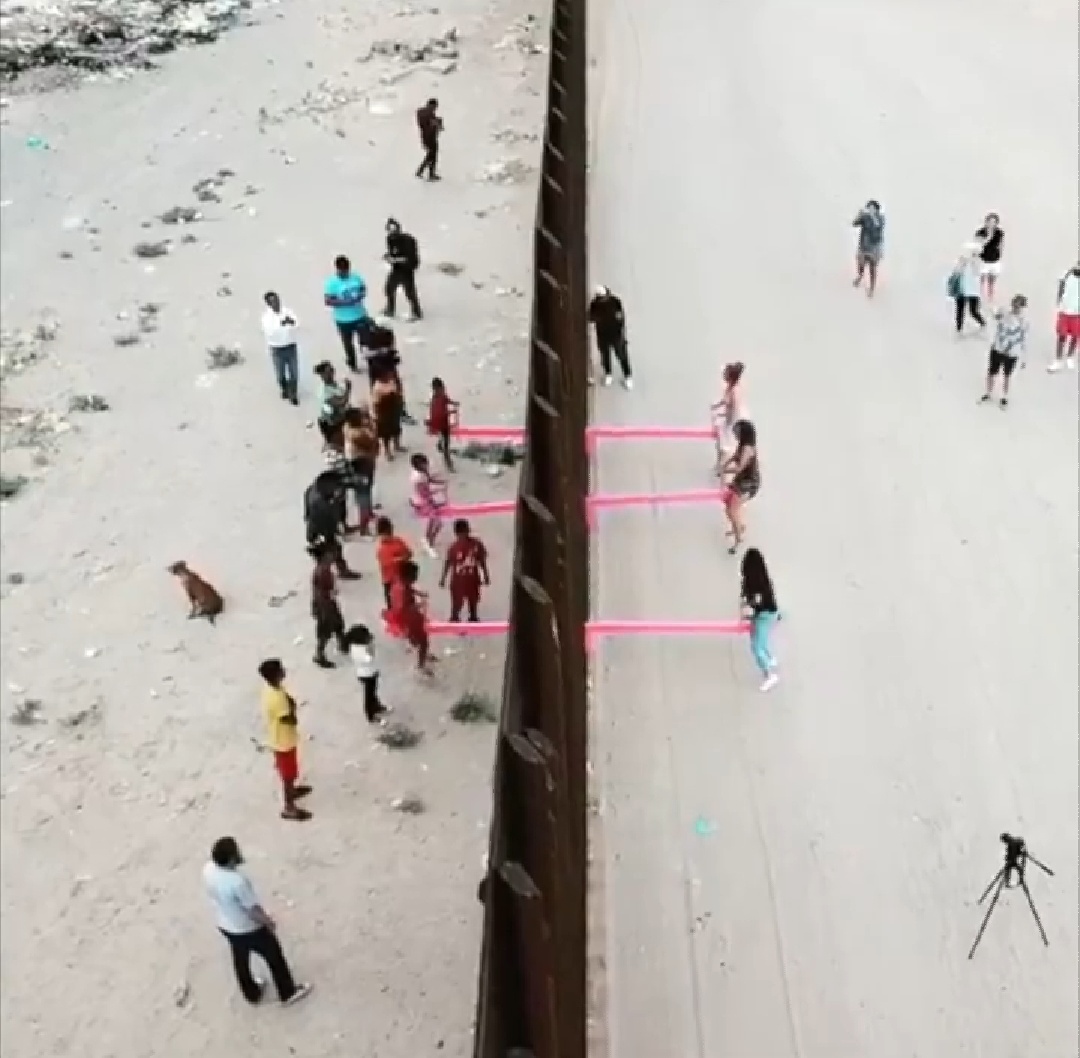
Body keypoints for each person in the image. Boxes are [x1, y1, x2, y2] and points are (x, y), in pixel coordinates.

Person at [203, 836, 312, 1005]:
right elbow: (252, 909)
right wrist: (268, 922)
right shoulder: (237, 882)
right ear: (232, 858)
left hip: (225, 924)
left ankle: (252, 993)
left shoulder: (208, 869)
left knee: (240, 958)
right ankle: (287, 992)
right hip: (247, 927)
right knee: (274, 955)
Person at [257, 659, 312, 821]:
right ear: (275, 675)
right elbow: (287, 718)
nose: (284, 671)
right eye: (281, 670)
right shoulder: (277, 698)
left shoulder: (271, 689)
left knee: (289, 772)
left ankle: (292, 792)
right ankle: (289, 807)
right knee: (288, 775)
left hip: (280, 739)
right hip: (284, 741)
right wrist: (293, 713)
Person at [303, 471, 360, 579]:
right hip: (320, 529)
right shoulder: (322, 504)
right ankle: (328, 577)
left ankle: (336, 571)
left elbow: (307, 513)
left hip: (316, 527)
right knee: (330, 551)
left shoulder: (313, 490)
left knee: (331, 550)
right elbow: (329, 519)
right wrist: (335, 530)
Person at [740, 548, 780, 692]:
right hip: (767, 614)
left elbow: (758, 604)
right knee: (759, 641)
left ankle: (769, 674)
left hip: (763, 616)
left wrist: (748, 612)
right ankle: (770, 659)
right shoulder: (764, 581)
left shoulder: (755, 586)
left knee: (756, 646)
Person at [979, 295, 1029, 409]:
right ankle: (988, 393)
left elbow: (1024, 339)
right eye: (1015, 305)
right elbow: (994, 315)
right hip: (997, 348)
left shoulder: (1024, 322)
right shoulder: (1004, 312)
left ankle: (1004, 397)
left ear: (1022, 307)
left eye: (1019, 306)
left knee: (1007, 375)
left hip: (1012, 353)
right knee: (992, 372)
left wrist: (1024, 357)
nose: (1016, 308)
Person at [720, 420, 761, 555]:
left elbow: (739, 468)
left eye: (737, 432)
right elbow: (734, 458)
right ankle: (738, 526)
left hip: (748, 483)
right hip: (741, 480)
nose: (735, 435)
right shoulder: (742, 445)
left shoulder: (748, 449)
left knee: (732, 510)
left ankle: (738, 540)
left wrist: (724, 471)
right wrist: (725, 465)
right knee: (728, 508)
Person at [323, 255, 371, 372]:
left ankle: (369, 361)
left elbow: (363, 288)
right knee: (348, 344)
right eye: (343, 271)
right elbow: (328, 301)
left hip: (360, 315)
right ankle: (352, 364)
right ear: (337, 269)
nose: (345, 273)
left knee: (365, 340)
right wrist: (345, 302)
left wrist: (360, 295)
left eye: (347, 270)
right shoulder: (331, 283)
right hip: (343, 320)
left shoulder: (355, 277)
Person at [440, 519, 490, 622]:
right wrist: (443, 578)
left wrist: (486, 575)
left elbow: (482, 561)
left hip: (473, 580)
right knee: (456, 603)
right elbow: (448, 563)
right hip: (458, 581)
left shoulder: (476, 544)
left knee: (473, 601)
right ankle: (454, 619)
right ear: (457, 533)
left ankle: (473, 618)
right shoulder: (453, 547)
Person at [309, 542, 350, 668]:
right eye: (330, 553)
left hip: (326, 603)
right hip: (325, 605)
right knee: (325, 631)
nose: (333, 555)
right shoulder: (323, 572)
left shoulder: (323, 569)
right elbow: (322, 592)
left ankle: (342, 643)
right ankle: (319, 655)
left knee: (338, 624)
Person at [391, 560, 433, 674]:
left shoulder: (400, 584)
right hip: (410, 619)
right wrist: (419, 605)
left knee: (417, 639)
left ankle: (420, 652)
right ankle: (420, 665)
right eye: (415, 576)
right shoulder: (402, 589)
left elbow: (410, 590)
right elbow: (402, 607)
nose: (416, 578)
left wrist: (420, 594)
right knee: (423, 641)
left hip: (410, 618)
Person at [587, 285, 633, 388]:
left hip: (615, 334)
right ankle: (608, 374)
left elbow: (620, 317)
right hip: (602, 334)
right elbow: (591, 317)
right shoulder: (595, 304)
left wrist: (621, 330)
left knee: (621, 355)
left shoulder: (615, 302)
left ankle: (627, 375)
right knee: (605, 356)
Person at [342, 407, 378, 535]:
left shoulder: (348, 427)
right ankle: (364, 527)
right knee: (364, 494)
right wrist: (371, 426)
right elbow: (372, 441)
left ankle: (368, 512)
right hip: (361, 465)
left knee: (366, 490)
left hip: (362, 462)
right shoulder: (357, 434)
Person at [344, 624, 389, 724]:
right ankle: (371, 715)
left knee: (373, 692)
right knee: (369, 695)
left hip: (371, 672)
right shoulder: (356, 649)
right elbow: (369, 659)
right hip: (366, 675)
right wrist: (371, 647)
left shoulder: (360, 645)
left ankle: (377, 706)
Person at [261, 292, 299, 404]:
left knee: (294, 373)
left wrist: (291, 322)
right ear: (268, 303)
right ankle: (284, 389)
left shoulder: (288, 311)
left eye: (277, 300)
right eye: (272, 301)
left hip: (290, 346)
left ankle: (293, 395)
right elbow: (269, 332)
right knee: (280, 375)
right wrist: (283, 324)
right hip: (277, 348)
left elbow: (297, 324)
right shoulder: (266, 317)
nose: (276, 303)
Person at [710, 361, 749, 472]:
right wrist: (716, 406)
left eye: (725, 374)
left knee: (726, 446)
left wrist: (725, 417)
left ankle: (724, 466)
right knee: (720, 437)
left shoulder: (734, 391)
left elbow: (734, 409)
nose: (723, 375)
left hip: (732, 420)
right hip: (729, 417)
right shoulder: (729, 387)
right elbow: (725, 401)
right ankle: (720, 462)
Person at [383, 219, 423, 320]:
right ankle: (390, 309)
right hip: (396, 268)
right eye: (389, 231)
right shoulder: (390, 239)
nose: (391, 234)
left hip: (407, 269)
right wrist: (389, 256)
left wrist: (394, 260)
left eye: (393, 231)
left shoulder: (408, 241)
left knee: (409, 292)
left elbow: (411, 258)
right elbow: (392, 252)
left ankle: (417, 313)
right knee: (389, 289)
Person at [409, 452, 447, 558]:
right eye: (424, 464)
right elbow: (424, 493)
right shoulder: (418, 478)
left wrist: (439, 481)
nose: (426, 466)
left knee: (433, 522)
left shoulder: (422, 472)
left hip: (424, 500)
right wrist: (439, 489)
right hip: (422, 502)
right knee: (437, 523)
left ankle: (429, 540)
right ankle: (428, 542)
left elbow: (429, 479)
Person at [375, 516, 413, 611]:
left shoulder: (398, 541)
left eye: (389, 532)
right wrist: (400, 558)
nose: (388, 535)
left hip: (403, 578)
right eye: (385, 533)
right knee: (393, 608)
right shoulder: (381, 550)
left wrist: (401, 558)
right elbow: (386, 563)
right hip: (390, 582)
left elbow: (409, 553)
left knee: (407, 604)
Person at [1049, 262, 1080, 372]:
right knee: (1062, 336)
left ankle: (1070, 356)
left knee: (1075, 337)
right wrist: (1059, 302)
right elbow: (1061, 286)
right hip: (1065, 311)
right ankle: (1058, 360)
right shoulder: (1066, 274)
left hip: (1077, 313)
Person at [949, 243, 986, 334]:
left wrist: (972, 262)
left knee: (973, 311)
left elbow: (978, 273)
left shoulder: (978, 263)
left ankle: (982, 323)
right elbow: (955, 273)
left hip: (973, 290)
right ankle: (959, 328)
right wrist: (961, 264)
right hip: (962, 290)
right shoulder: (961, 262)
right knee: (960, 310)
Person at [851, 200, 885, 297]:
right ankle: (860, 276)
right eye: (869, 207)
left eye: (872, 207)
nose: (870, 209)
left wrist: (873, 216)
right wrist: (859, 215)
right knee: (860, 264)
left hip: (875, 247)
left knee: (872, 268)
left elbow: (878, 226)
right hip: (864, 246)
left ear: (876, 209)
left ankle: (872, 288)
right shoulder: (864, 217)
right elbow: (854, 223)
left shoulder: (881, 218)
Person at [371, 364, 405, 460]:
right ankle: (387, 451)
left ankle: (397, 445)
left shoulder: (391, 381)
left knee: (396, 428)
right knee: (386, 433)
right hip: (384, 412)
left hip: (394, 409)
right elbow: (376, 402)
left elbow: (398, 393)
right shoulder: (377, 387)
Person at [314, 361, 351, 443]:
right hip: (332, 424)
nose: (331, 373)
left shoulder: (334, 384)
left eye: (332, 370)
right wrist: (348, 389)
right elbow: (341, 402)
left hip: (340, 418)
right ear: (322, 375)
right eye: (328, 372)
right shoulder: (324, 392)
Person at [426, 377, 459, 471]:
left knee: (444, 440)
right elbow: (439, 414)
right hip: (441, 424)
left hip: (443, 424)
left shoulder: (439, 397)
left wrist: (453, 402)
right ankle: (448, 462)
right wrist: (451, 412)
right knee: (446, 444)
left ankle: (441, 445)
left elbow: (447, 400)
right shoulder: (436, 400)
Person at [974, 213, 1005, 303]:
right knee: (983, 279)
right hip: (984, 259)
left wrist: (1000, 254)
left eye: (994, 222)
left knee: (992, 280)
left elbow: (1001, 244)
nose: (991, 224)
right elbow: (979, 244)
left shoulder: (999, 232)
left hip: (994, 260)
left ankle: (991, 298)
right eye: (990, 222)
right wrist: (988, 237)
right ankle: (982, 297)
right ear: (986, 222)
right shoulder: (980, 232)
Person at [415, 98, 443, 180]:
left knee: (431, 154)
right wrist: (438, 123)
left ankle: (422, 171)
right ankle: (429, 173)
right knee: (432, 154)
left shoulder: (421, 112)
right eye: (435, 107)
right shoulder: (429, 114)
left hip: (425, 136)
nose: (435, 109)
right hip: (430, 137)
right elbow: (430, 124)